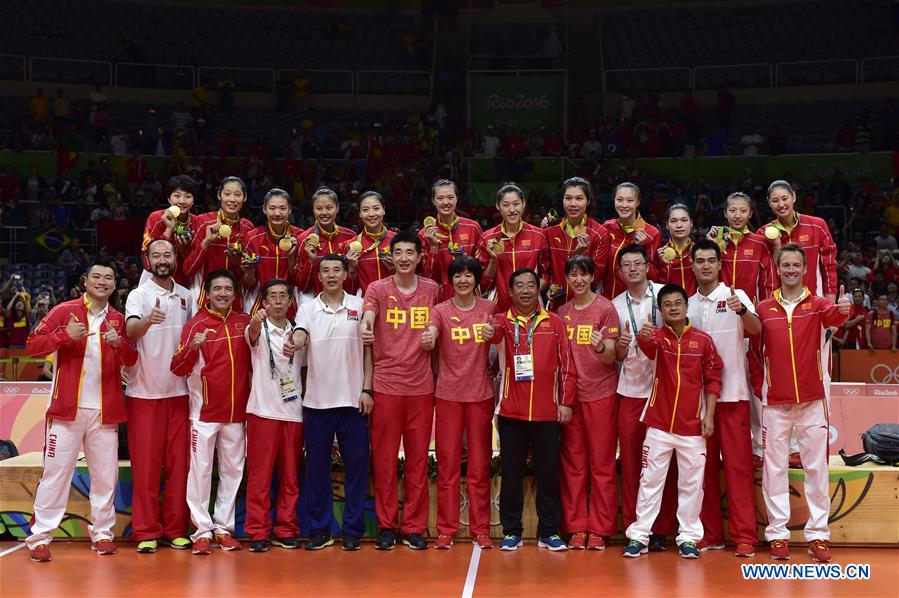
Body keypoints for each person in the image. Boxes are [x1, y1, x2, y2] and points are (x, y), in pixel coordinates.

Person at [24, 261, 138, 562]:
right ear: (85, 281)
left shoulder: (118, 319)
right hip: (66, 411)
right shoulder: (65, 312)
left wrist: (121, 346)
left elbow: (132, 360)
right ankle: (39, 538)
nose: (102, 282)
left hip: (106, 412)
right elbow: (32, 345)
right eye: (96, 276)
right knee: (56, 475)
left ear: (115, 285)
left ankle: (102, 534)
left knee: (105, 477)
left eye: (109, 278)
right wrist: (64, 336)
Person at [757, 244, 850, 563]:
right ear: (778, 269)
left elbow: (836, 318)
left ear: (804, 269)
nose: (792, 270)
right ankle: (778, 534)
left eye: (797, 265)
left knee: (816, 468)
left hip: (812, 401)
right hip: (775, 403)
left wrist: (845, 307)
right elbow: (754, 349)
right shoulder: (764, 308)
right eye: (786, 265)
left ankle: (819, 535)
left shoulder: (819, 304)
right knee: (774, 469)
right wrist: (762, 385)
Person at [623, 283, 722, 559]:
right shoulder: (656, 338)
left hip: (693, 427)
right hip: (659, 425)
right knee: (650, 482)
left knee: (692, 485)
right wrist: (642, 335)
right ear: (660, 310)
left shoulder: (703, 340)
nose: (674, 308)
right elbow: (646, 346)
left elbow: (714, 380)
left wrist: (709, 416)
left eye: (678, 303)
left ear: (686, 306)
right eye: (667, 304)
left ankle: (689, 537)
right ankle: (639, 535)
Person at [487, 268, 575, 552]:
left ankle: (549, 531)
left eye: (530, 285)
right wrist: (489, 332)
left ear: (538, 289)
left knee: (549, 474)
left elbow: (568, 367)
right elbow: (491, 336)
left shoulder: (555, 323)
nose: (525, 290)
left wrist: (566, 402)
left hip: (547, 412)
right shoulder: (501, 322)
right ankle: (512, 531)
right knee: (511, 473)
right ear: (510, 292)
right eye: (519, 286)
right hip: (511, 412)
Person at [361, 232, 440, 550]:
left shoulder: (432, 290)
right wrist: (366, 324)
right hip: (386, 386)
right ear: (390, 257)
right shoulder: (377, 288)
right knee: (384, 461)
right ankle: (386, 525)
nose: (404, 257)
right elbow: (367, 316)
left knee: (419, 461)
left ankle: (414, 527)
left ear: (420, 257)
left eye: (410, 252)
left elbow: (441, 324)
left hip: (421, 388)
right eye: (399, 253)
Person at [170, 269, 252, 555]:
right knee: (201, 472)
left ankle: (223, 528)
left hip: (237, 413)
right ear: (207, 292)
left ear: (235, 293)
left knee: (233, 471)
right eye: (217, 289)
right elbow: (177, 368)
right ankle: (202, 530)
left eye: (228, 289)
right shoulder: (196, 325)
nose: (223, 294)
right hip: (203, 413)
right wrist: (192, 349)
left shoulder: (246, 323)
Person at [295, 254, 372, 551]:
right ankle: (319, 529)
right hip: (317, 403)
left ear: (345, 274)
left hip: (353, 402)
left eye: (336, 270)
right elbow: (301, 333)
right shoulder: (307, 308)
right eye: (325, 270)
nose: (330, 275)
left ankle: (352, 530)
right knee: (317, 470)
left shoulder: (359, 305)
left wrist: (367, 389)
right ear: (319, 276)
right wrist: (297, 340)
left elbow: (368, 352)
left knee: (356, 469)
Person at [758, 180, 838, 468]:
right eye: (775, 201)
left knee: (819, 377)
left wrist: (829, 306)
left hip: (814, 314)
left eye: (785, 199)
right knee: (779, 376)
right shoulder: (765, 233)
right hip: (780, 314)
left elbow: (829, 265)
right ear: (769, 204)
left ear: (794, 197)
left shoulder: (816, 226)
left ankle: (817, 444)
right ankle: (787, 448)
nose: (781, 205)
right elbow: (765, 274)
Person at [688, 239, 760, 558]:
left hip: (732, 396)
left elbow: (757, 329)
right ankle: (710, 533)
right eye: (699, 260)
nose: (705, 265)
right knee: (702, 472)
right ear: (692, 265)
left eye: (710, 260)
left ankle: (745, 535)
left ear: (720, 264)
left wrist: (742, 311)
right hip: (697, 403)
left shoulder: (736, 296)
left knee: (738, 468)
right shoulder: (685, 305)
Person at [124, 239, 194, 554]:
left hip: (180, 392)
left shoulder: (187, 296)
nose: (162, 260)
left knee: (180, 466)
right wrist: (147, 321)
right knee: (147, 467)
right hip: (144, 393)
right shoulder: (139, 295)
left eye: (167, 255)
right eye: (156, 255)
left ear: (174, 259)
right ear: (148, 260)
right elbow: (130, 332)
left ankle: (176, 528)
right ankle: (146, 530)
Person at [421, 256, 495, 550]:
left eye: (469, 275)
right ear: (450, 281)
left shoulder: (489, 309)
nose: (463, 280)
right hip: (448, 396)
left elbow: (502, 339)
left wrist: (496, 333)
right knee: (448, 465)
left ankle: (481, 528)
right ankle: (446, 528)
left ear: (477, 280)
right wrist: (429, 338)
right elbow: (431, 332)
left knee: (479, 467)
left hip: (481, 396)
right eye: (458, 276)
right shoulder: (439, 311)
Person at [611, 244, 678, 550]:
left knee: (664, 463)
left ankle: (662, 529)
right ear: (620, 271)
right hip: (630, 390)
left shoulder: (665, 295)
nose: (634, 269)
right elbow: (616, 356)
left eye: (639, 263)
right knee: (632, 460)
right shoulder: (614, 305)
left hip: (664, 391)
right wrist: (623, 346)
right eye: (628, 265)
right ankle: (635, 528)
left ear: (647, 266)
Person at [557, 255, 620, 550]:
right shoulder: (561, 312)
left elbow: (610, 355)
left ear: (593, 276)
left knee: (602, 464)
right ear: (567, 279)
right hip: (571, 398)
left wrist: (599, 347)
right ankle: (576, 526)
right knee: (574, 464)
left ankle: (600, 528)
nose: (579, 280)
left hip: (601, 394)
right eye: (573, 275)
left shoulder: (605, 308)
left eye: (584, 274)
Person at [244, 279, 304, 552]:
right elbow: (252, 332)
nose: (278, 301)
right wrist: (256, 320)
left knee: (290, 477)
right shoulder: (257, 329)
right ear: (264, 303)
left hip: (293, 413)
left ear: (291, 302)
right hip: (263, 412)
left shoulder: (299, 332)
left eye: (284, 296)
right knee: (260, 477)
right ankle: (257, 530)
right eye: (273, 297)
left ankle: (286, 528)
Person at [182, 177, 254, 310]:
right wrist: (206, 242)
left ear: (244, 198)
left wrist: (237, 263)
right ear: (219, 195)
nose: (232, 199)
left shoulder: (247, 227)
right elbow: (188, 269)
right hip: (205, 301)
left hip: (235, 301)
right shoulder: (203, 222)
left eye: (237, 194)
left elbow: (248, 279)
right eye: (227, 194)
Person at [477, 185, 550, 313]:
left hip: (532, 307)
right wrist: (493, 260)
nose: (512, 210)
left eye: (516, 204)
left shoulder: (539, 235)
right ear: (498, 206)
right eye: (506, 205)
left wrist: (531, 290)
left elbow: (546, 274)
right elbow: (483, 284)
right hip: (499, 308)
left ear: (523, 204)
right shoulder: (487, 238)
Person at [543, 178, 610, 309]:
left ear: (588, 201)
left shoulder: (599, 233)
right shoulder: (549, 232)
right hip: (556, 304)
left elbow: (596, 277)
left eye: (579, 199)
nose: (573, 204)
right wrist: (549, 284)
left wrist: (580, 256)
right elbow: (545, 271)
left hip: (588, 305)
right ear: (562, 200)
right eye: (568, 198)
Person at [420, 180, 483, 302]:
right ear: (433, 201)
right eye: (440, 198)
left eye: (450, 197)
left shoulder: (473, 227)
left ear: (456, 199)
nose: (445, 202)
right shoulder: (424, 234)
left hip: (472, 298)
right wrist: (434, 246)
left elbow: (482, 267)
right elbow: (429, 277)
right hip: (442, 301)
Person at [242, 188, 303, 315]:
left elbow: (300, 281)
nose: (277, 213)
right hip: (260, 304)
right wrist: (249, 271)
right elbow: (249, 284)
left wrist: (291, 257)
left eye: (282, 208)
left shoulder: (300, 237)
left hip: (291, 305)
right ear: (264, 209)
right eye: (272, 208)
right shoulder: (252, 238)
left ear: (290, 209)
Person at [602, 182, 662, 299]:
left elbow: (654, 276)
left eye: (630, 200)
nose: (624, 205)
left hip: (638, 302)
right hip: (609, 300)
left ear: (638, 202)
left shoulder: (652, 233)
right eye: (619, 200)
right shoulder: (607, 228)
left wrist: (641, 250)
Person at [295, 187, 358, 296]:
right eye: (319, 208)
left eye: (329, 208)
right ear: (313, 210)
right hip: (316, 302)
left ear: (337, 208)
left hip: (345, 300)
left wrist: (352, 267)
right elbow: (302, 286)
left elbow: (355, 285)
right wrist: (310, 261)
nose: (324, 212)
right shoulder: (303, 239)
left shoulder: (350, 237)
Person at [140, 175, 200, 288]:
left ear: (193, 200)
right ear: (169, 198)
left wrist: (183, 250)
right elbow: (147, 261)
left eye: (188, 196)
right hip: (154, 280)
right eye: (177, 196)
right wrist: (168, 229)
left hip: (185, 282)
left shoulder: (197, 223)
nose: (182, 201)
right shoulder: (156, 218)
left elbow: (195, 262)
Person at [350, 191, 396, 295]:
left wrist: (397, 270)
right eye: (365, 210)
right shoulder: (351, 245)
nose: (371, 214)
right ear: (360, 214)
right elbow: (348, 288)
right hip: (366, 304)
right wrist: (351, 268)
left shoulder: (397, 241)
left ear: (383, 210)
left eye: (376, 208)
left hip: (396, 304)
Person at [654, 204, 697, 295]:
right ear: (667, 225)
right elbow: (656, 287)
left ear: (691, 223)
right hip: (671, 306)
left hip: (698, 306)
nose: (679, 225)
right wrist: (665, 265)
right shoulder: (659, 255)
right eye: (673, 221)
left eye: (684, 220)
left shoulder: (699, 252)